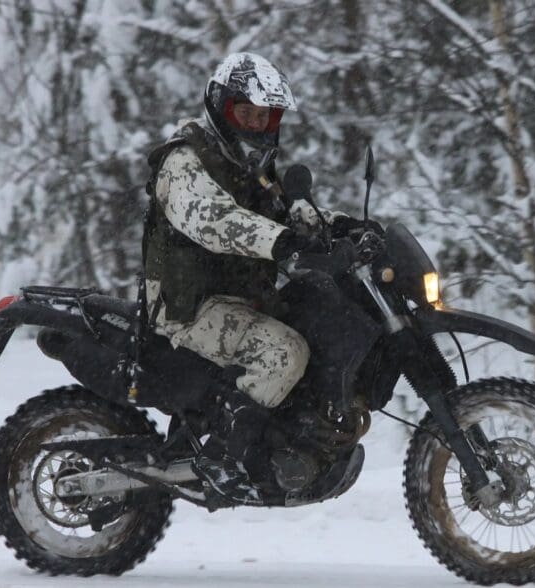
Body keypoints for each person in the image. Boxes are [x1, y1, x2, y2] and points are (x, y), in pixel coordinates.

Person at [142, 52, 359, 505]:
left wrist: (343, 228)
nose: (255, 124)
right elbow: (211, 219)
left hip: (241, 298)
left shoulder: (253, 167)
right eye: (246, 113)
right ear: (222, 108)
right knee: (284, 353)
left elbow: (287, 213)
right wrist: (281, 242)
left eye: (265, 117)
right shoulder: (184, 159)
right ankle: (224, 461)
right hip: (189, 308)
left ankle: (290, 439)